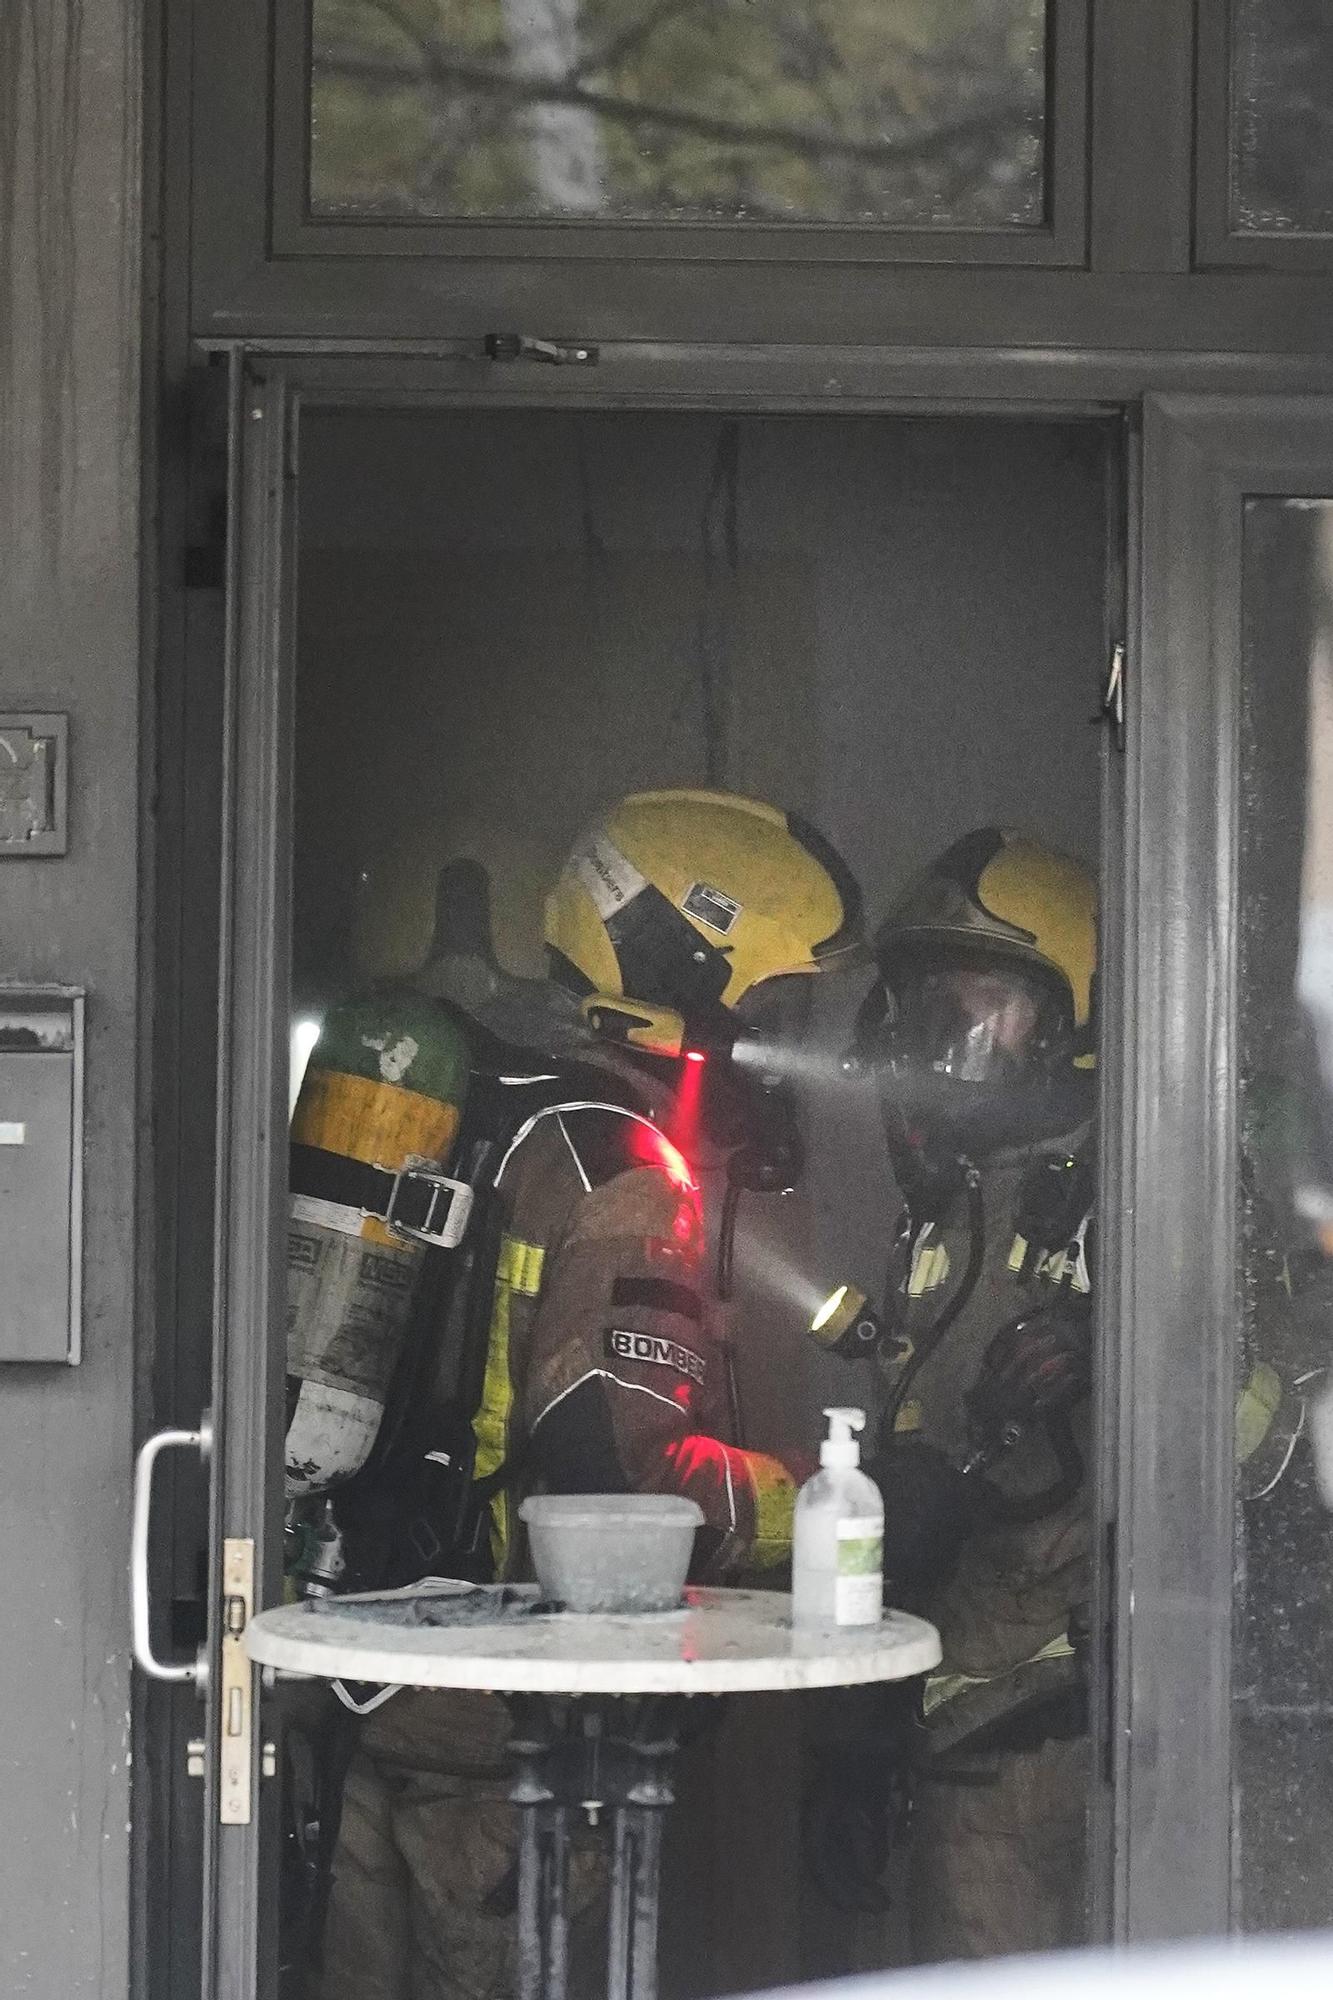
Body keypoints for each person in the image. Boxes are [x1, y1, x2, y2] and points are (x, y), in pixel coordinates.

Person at [315, 788, 861, 2000]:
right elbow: (621, 1491)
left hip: (358, 1682)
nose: (781, 1043)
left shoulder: (487, 1106)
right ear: (686, 978)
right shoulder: (625, 1172)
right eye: (770, 1007)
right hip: (498, 1736)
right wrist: (813, 1506)